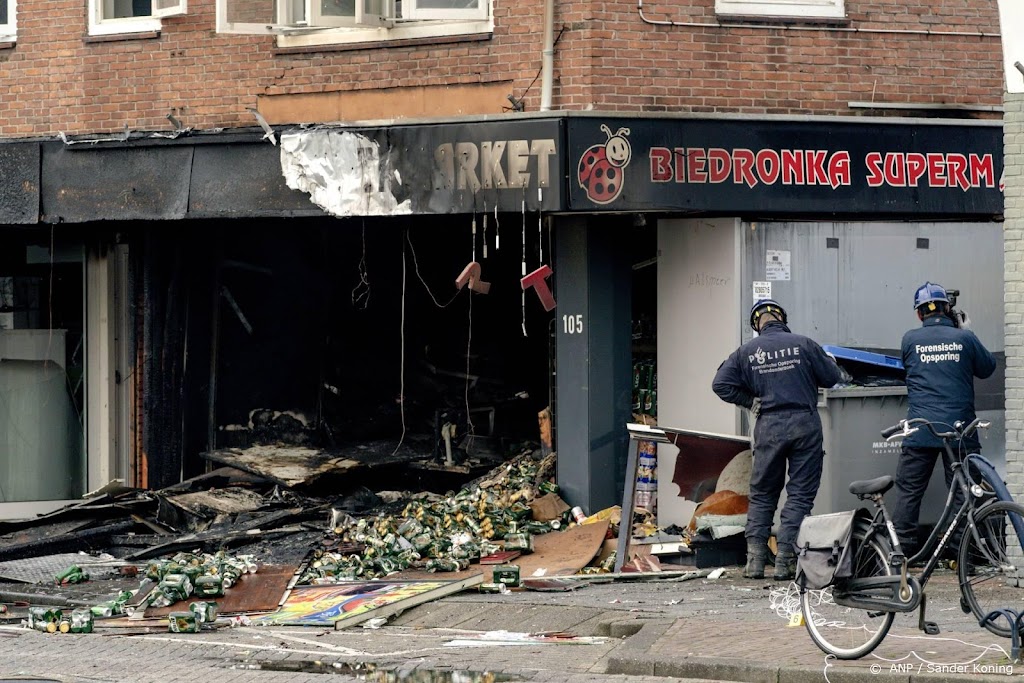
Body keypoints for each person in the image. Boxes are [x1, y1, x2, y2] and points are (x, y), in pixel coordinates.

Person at [712, 299, 842, 580]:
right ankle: (785, 560)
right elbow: (833, 377)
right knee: (800, 494)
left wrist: (749, 400)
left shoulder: (746, 352)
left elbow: (720, 384)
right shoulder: (804, 344)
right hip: (804, 424)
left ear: (757, 325)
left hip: (769, 426)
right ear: (782, 319)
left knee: (763, 494)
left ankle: (755, 561)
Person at [892, 282, 996, 558]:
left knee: (909, 492)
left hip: (920, 429)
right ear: (948, 309)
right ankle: (961, 555)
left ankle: (900, 553)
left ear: (919, 314)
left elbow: (907, 368)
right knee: (963, 491)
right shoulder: (965, 338)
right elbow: (988, 368)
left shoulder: (910, 339)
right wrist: (965, 332)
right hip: (959, 430)